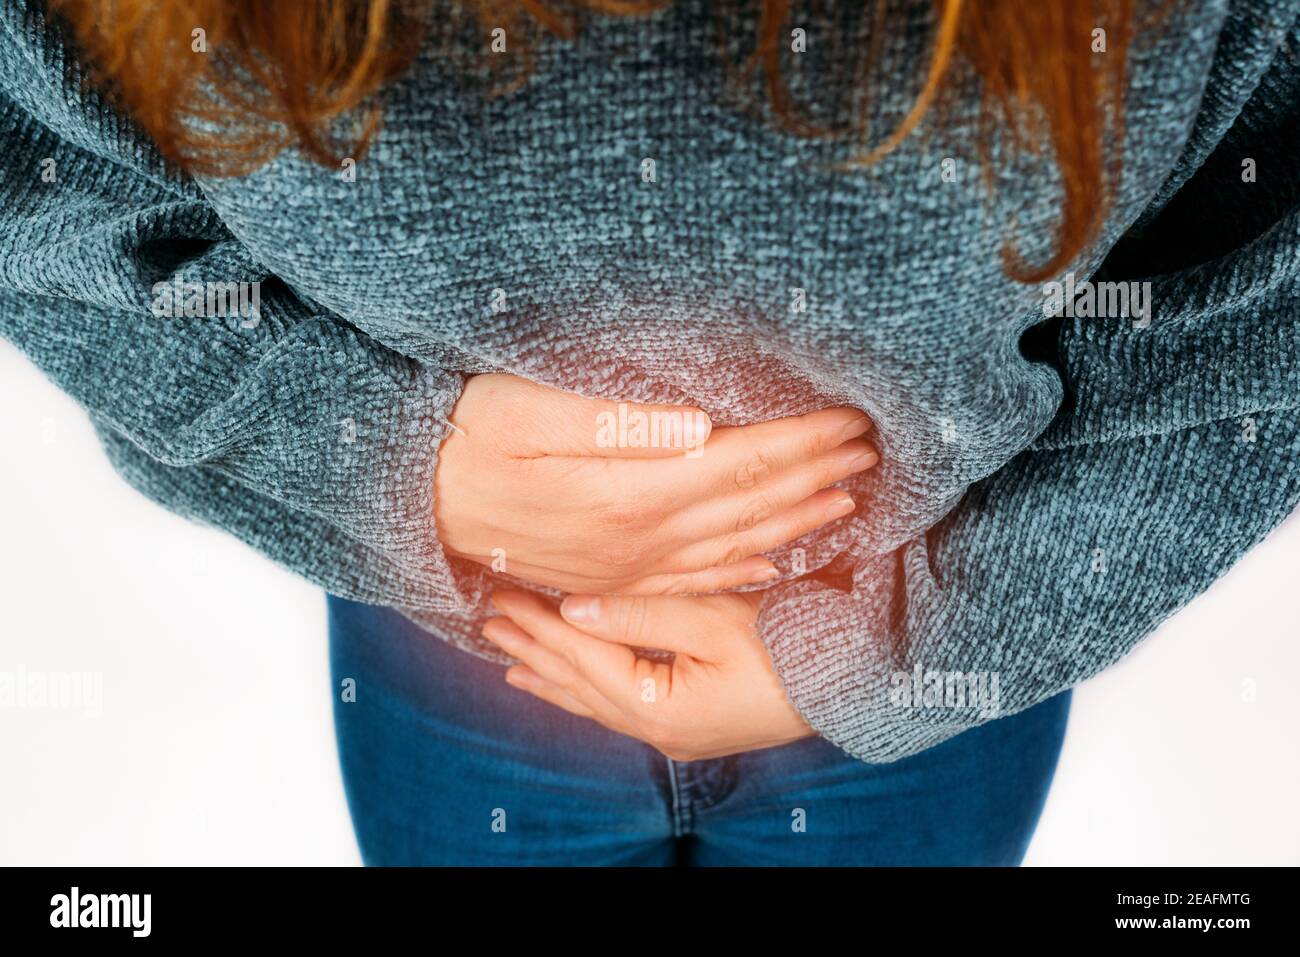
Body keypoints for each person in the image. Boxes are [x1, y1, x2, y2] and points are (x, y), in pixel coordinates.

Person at [1, 0, 1296, 864]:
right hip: (462, 661)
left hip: (947, 651)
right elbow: (44, 203)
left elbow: (1267, 297)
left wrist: (892, 659)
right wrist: (388, 464)